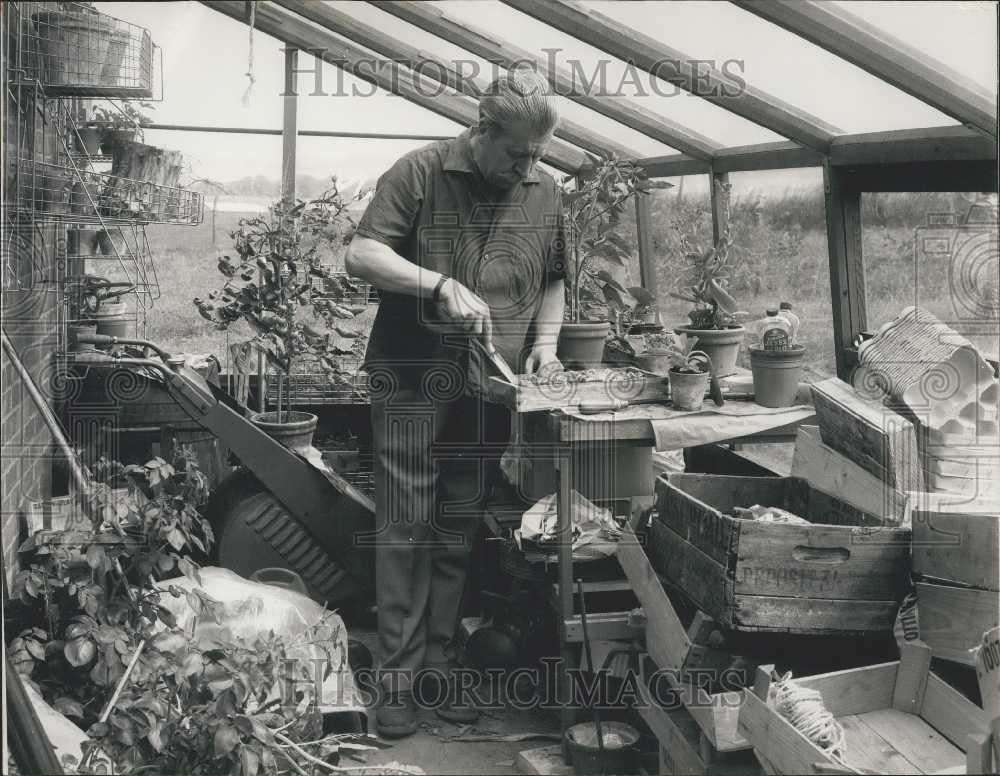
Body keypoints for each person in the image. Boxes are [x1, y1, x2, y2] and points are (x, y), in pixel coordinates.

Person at [344, 67, 566, 738]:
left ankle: (441, 663)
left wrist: (547, 345)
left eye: (537, 154)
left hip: (489, 386)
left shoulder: (543, 191)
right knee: (407, 521)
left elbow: (553, 280)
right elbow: (360, 254)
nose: (527, 166)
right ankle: (398, 678)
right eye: (516, 153)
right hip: (412, 375)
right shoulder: (420, 171)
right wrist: (435, 284)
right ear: (482, 129)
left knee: (459, 519)